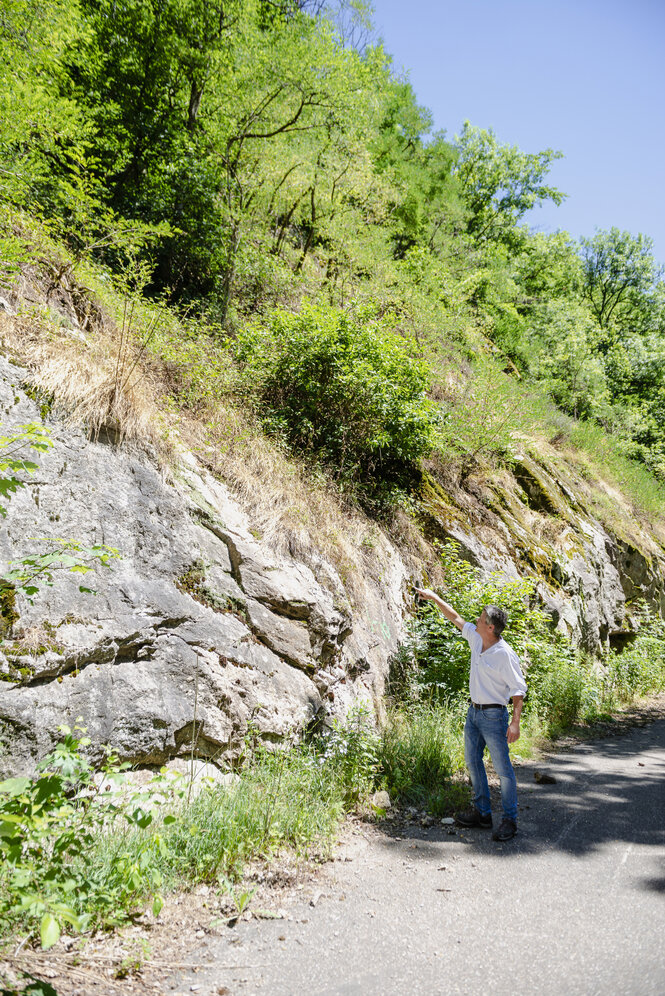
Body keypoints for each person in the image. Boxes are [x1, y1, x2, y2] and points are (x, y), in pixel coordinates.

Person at [414, 588, 527, 842]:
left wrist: (515, 723)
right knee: (472, 762)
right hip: (473, 713)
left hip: (494, 717)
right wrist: (433, 597)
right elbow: (454, 617)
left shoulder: (505, 655)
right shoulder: (477, 638)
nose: (475, 619)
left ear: (490, 627)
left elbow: (518, 691)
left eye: (480, 618)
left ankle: (510, 820)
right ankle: (483, 814)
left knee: (503, 770)